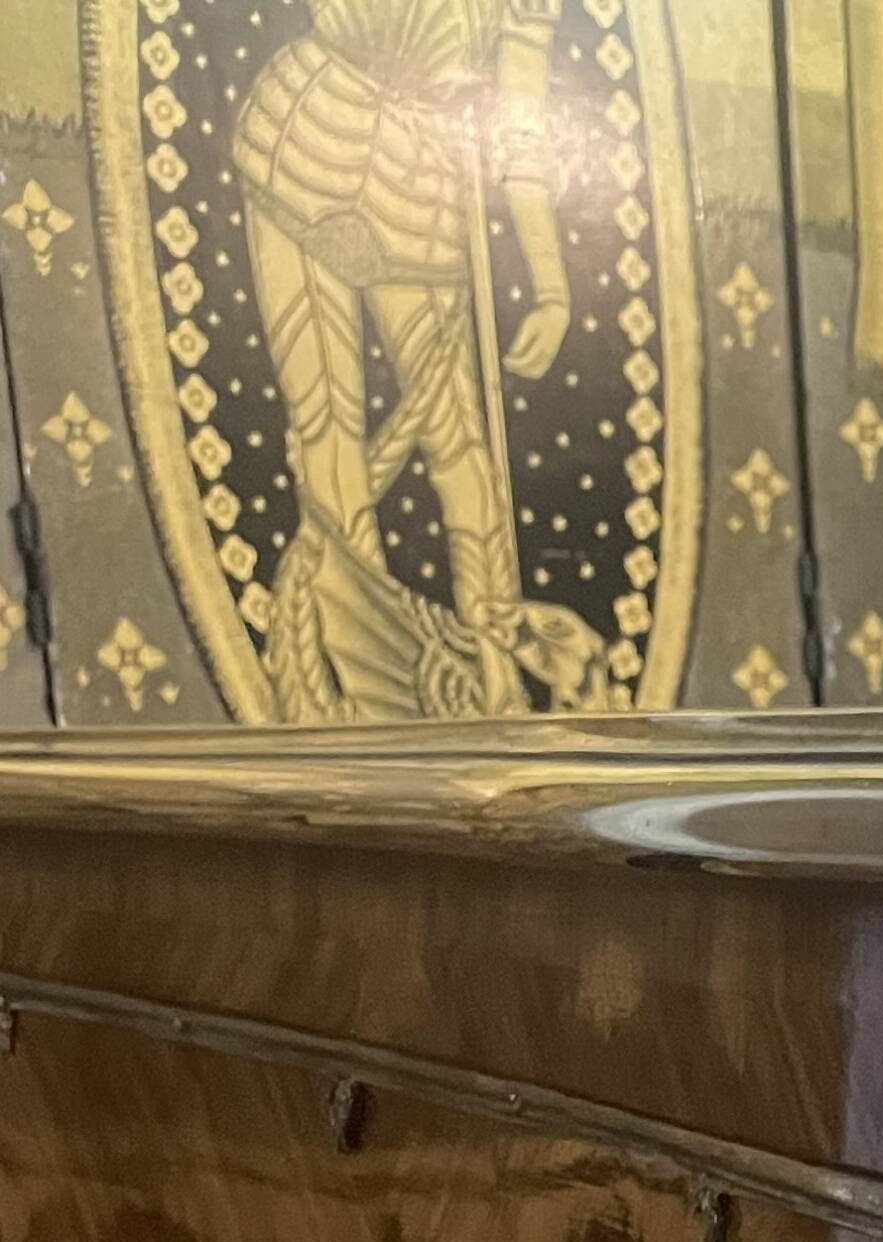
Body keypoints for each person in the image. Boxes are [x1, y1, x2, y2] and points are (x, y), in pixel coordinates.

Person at [235, 0, 609, 717]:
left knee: (459, 442)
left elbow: (520, 132)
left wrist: (553, 286)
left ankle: (502, 679)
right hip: (301, 141)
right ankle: (367, 683)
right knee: (324, 424)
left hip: (419, 187)